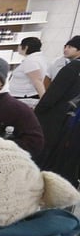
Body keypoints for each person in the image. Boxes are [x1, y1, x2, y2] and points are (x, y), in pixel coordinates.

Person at [35, 43, 80, 184]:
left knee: (46, 164)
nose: (66, 49)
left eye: (71, 46)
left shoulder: (73, 68)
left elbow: (52, 96)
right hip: (72, 127)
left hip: (56, 122)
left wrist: (36, 114)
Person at [7, 36, 48, 100]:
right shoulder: (36, 58)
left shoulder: (31, 61)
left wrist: (43, 101)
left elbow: (37, 81)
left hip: (24, 97)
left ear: (26, 47)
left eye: (20, 45)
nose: (18, 47)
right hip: (23, 96)